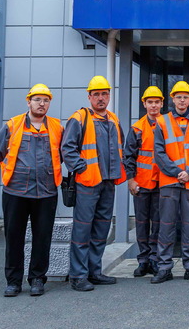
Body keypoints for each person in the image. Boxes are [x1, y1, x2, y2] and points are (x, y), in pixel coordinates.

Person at [0, 84, 63, 297]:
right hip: (16, 192)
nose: (42, 104)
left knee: (43, 237)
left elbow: (62, 153)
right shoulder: (13, 125)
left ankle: (37, 279)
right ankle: (13, 282)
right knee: (14, 238)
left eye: (46, 100)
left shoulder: (57, 127)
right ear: (28, 101)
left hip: (46, 191)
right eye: (37, 99)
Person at [62, 75, 126, 291]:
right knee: (82, 230)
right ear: (89, 97)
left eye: (104, 94)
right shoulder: (79, 118)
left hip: (108, 182)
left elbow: (121, 147)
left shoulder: (114, 119)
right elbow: (67, 148)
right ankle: (78, 276)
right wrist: (83, 168)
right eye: (96, 94)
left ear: (109, 96)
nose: (101, 98)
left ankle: (94, 272)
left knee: (101, 229)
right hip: (87, 183)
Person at [151, 81, 189, 283]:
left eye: (185, 97)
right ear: (173, 99)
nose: (182, 100)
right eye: (179, 97)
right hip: (170, 182)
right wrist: (178, 172)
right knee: (166, 226)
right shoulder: (162, 122)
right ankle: (164, 268)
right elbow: (159, 153)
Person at [123, 86, 164, 277]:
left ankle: (155, 259)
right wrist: (130, 180)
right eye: (150, 102)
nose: (153, 105)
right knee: (141, 223)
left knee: (158, 223)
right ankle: (143, 260)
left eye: (156, 102)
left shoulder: (167, 125)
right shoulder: (137, 128)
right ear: (144, 104)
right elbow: (128, 156)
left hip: (162, 183)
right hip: (141, 184)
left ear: (161, 104)